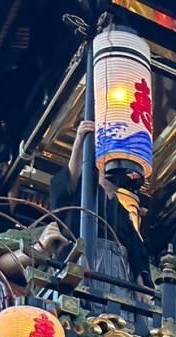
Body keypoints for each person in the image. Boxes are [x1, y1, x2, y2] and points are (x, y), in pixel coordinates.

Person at [49, 120, 151, 310]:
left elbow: (136, 249)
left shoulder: (121, 209)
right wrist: (79, 141)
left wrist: (140, 282)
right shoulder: (84, 191)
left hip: (118, 270)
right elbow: (66, 186)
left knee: (116, 316)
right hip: (86, 256)